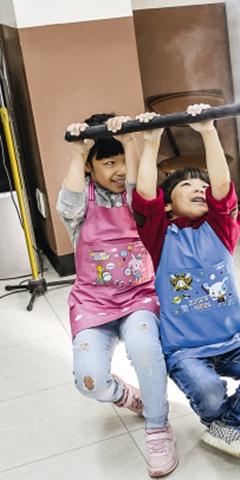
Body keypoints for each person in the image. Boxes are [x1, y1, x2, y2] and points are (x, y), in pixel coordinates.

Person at [132, 105, 240, 460]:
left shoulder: (222, 230)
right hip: (186, 350)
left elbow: (222, 188)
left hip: (236, 339)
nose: (199, 189)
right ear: (167, 206)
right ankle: (227, 422)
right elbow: (144, 199)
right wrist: (150, 141)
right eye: (186, 185)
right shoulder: (160, 236)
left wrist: (207, 131)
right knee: (208, 391)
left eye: (202, 185)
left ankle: (228, 426)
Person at [58, 114, 177, 478]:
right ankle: (131, 397)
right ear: (91, 168)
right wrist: (79, 152)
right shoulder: (80, 204)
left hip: (138, 297)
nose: (120, 170)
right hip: (93, 305)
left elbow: (144, 186)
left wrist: (130, 143)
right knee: (89, 382)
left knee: (144, 349)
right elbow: (71, 201)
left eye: (123, 161)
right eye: (109, 163)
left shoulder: (133, 196)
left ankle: (158, 426)